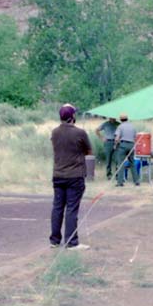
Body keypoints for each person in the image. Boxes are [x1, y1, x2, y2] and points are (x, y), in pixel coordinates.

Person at [49, 104, 92, 249]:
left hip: (58, 174)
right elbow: (88, 151)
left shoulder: (54, 132)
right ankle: (71, 242)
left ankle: (54, 240)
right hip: (75, 176)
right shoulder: (80, 133)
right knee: (72, 209)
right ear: (72, 117)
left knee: (57, 207)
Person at [112, 113, 139, 186]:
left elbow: (117, 138)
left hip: (123, 145)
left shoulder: (120, 126)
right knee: (132, 163)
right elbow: (135, 137)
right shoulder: (132, 126)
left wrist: (115, 145)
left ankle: (120, 182)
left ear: (120, 119)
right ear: (127, 119)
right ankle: (136, 181)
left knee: (121, 164)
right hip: (131, 145)